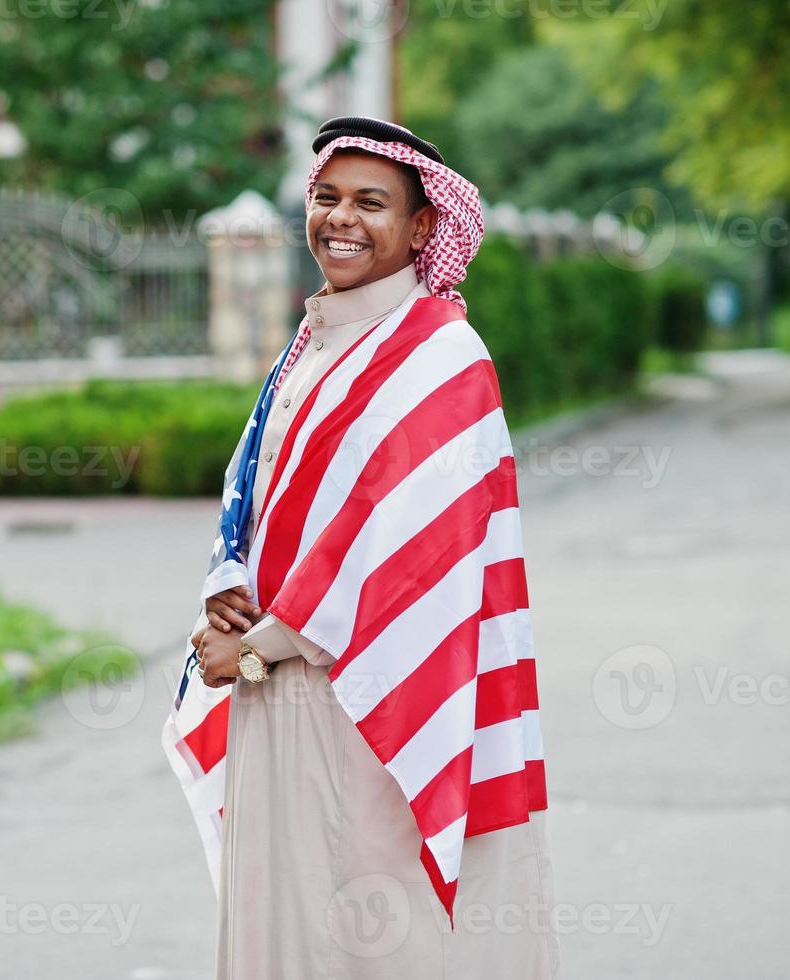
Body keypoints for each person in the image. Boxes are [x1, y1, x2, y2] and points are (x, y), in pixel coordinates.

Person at [163, 116, 561, 979]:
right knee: (288, 927)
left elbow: (397, 554)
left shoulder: (441, 353)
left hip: (379, 702)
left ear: (423, 228)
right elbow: (267, 506)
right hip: (274, 694)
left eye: (371, 203)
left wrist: (253, 646)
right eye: (325, 197)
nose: (339, 218)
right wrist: (223, 600)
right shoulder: (311, 345)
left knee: (376, 935)